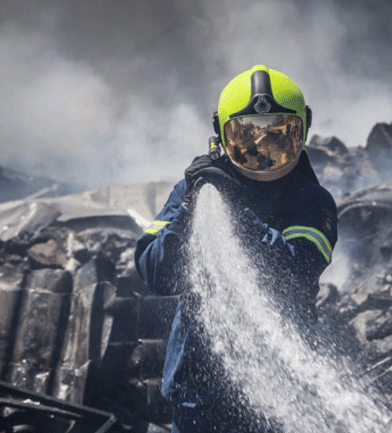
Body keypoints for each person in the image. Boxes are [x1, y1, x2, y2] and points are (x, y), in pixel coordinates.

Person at [134, 65, 338, 432]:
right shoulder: (195, 191)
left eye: (279, 137)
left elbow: (294, 275)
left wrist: (239, 215)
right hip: (196, 393)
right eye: (249, 138)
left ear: (303, 129)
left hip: (277, 393)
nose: (264, 152)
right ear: (222, 134)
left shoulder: (312, 202)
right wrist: (189, 209)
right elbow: (156, 275)